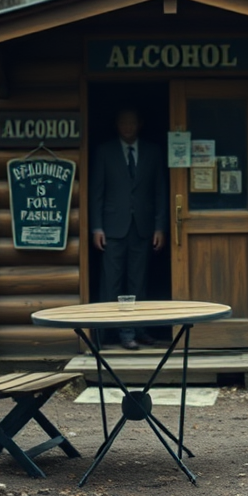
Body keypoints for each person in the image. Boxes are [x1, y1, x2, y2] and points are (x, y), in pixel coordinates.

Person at [89, 109, 167, 350]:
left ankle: (137, 330)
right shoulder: (104, 151)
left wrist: (159, 227)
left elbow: (161, 193)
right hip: (112, 229)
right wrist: (97, 227)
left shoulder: (153, 152)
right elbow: (96, 193)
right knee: (111, 282)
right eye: (123, 122)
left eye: (132, 122)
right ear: (117, 124)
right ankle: (106, 333)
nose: (128, 127)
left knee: (138, 282)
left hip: (142, 229)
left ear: (140, 124)